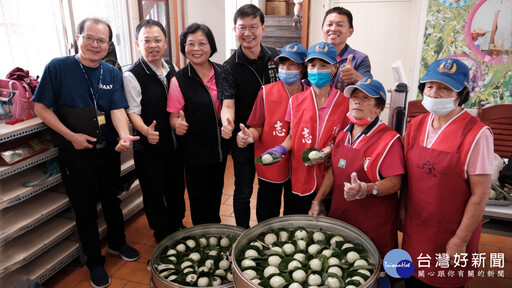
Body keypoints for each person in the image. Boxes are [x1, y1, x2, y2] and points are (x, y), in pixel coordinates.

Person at [33, 17, 140, 288]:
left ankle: (118, 244)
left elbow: (116, 109)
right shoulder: (58, 68)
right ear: (77, 37)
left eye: (101, 40)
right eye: (89, 38)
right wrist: (71, 137)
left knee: (112, 200)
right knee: (85, 210)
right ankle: (94, 262)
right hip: (75, 154)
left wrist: (124, 134)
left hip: (107, 151)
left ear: (108, 44)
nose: (95, 44)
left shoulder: (112, 72)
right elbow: (41, 108)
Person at [400, 58, 493, 288]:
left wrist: (460, 241)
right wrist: (401, 209)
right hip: (417, 227)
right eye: (430, 86)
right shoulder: (416, 125)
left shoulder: (477, 134)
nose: (434, 93)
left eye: (445, 88)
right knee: (413, 279)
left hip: (451, 233)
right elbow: (408, 178)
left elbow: (480, 195)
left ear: (461, 93)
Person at [308, 77, 405, 259]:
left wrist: (365, 189)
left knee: (371, 267)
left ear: (378, 107)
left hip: (373, 223)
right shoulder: (344, 134)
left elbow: (395, 182)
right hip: (342, 217)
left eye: (366, 98)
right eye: (354, 97)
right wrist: (317, 200)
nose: (357, 101)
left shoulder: (389, 140)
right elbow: (334, 171)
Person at [260, 42, 349, 214]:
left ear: (334, 69)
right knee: (295, 223)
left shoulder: (345, 104)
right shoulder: (296, 101)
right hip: (300, 175)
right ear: (306, 67)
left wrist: (328, 151)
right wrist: (280, 149)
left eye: (324, 65)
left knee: (322, 230)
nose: (317, 70)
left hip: (329, 178)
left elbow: (344, 142)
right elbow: (293, 135)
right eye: (312, 65)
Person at [123, 19, 185, 243]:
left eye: (157, 40)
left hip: (173, 142)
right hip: (148, 146)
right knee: (153, 191)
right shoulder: (132, 75)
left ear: (165, 42)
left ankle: (177, 224)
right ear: (137, 44)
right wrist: (145, 132)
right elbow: (133, 112)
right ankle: (161, 233)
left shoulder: (172, 67)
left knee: (176, 187)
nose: (152, 45)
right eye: (146, 41)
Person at [218, 3, 279, 228]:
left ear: (263, 28)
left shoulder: (276, 57)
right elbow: (228, 103)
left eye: (253, 27)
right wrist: (228, 121)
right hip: (244, 137)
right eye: (242, 28)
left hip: (274, 136)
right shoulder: (229, 67)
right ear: (235, 30)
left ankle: (265, 230)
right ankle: (242, 233)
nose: (248, 33)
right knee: (243, 188)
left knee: (270, 187)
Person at [168, 23, 231, 225]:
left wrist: (228, 123)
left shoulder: (223, 72)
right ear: (183, 47)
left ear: (211, 46)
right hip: (194, 151)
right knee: (198, 199)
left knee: (215, 194)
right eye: (190, 44)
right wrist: (177, 124)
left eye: (202, 43)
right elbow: (173, 116)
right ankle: (202, 238)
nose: (196, 49)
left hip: (220, 150)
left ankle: (215, 232)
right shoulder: (179, 79)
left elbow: (228, 105)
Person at [237, 42, 308, 222]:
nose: (286, 68)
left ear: (302, 68)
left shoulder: (310, 95)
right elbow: (256, 127)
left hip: (300, 165)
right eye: (283, 64)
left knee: (294, 213)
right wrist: (248, 136)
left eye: (292, 64)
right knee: (267, 212)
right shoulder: (266, 92)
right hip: (271, 163)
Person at [321, 6, 372, 91]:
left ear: (350, 32)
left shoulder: (360, 59)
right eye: (329, 24)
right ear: (322, 29)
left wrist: (355, 77)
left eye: (340, 25)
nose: (333, 29)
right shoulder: (312, 57)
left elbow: (371, 90)